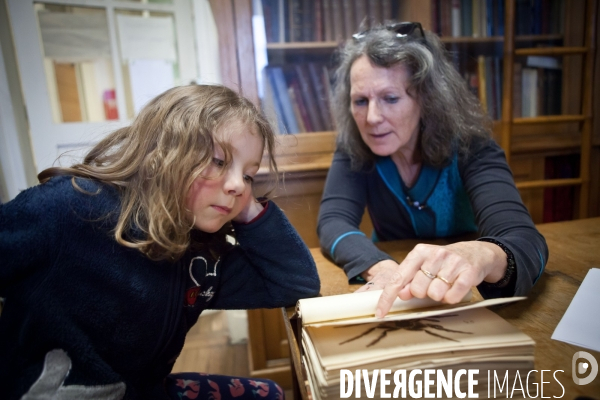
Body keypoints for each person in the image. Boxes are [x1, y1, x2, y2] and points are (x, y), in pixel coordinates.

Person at [0, 84, 320, 399]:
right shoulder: (67, 208)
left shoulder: (204, 258)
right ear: (161, 156)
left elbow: (296, 282)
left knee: (270, 394)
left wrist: (248, 208)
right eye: (219, 162)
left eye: (248, 174)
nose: (237, 184)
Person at [317, 22, 548, 319]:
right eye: (360, 101)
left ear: (427, 98)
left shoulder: (471, 144)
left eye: (390, 98)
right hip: (394, 290)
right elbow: (333, 221)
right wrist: (383, 266)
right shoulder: (354, 145)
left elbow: (524, 239)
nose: (372, 117)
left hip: (463, 291)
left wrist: (483, 255)